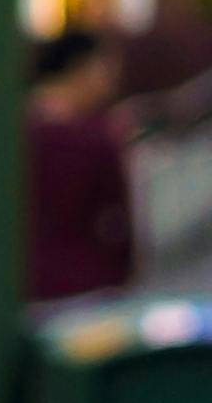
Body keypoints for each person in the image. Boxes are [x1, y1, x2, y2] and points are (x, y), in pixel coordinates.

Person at [24, 26, 142, 302]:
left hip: (20, 286)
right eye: (105, 68)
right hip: (84, 288)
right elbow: (119, 217)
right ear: (82, 68)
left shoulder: (11, 129)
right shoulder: (98, 137)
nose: (111, 81)